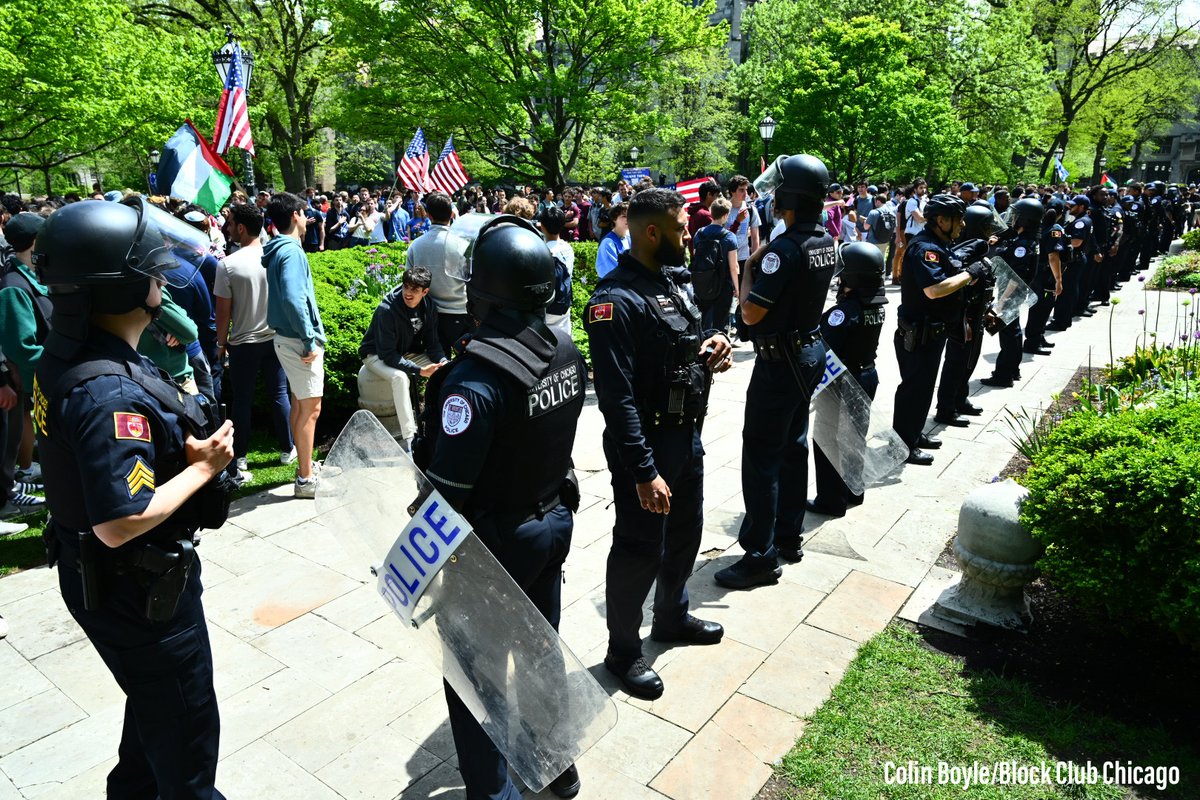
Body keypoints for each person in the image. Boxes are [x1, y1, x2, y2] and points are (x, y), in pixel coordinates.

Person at [30, 198, 235, 799]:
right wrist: (204, 470)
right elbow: (122, 520)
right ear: (119, 287)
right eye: (148, 270)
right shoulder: (108, 394)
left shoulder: (69, 353)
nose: (159, 278)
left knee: (154, 711)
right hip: (140, 591)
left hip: (106, 584)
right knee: (189, 744)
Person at [415, 215, 587, 800]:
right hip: (551, 524)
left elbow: (445, 494)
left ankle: (492, 793)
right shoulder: (565, 350)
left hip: (493, 547)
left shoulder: (474, 381)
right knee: (541, 650)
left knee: (475, 676)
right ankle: (556, 764)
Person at [584, 188, 732, 699]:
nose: (689, 233)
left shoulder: (670, 283)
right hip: (644, 447)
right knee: (638, 548)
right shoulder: (613, 302)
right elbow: (617, 398)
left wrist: (712, 345)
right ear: (652, 233)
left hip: (685, 436)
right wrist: (644, 472)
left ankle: (672, 616)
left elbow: (683, 341)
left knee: (687, 533)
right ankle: (623, 651)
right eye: (680, 226)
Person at [714, 155, 838, 589]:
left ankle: (759, 556)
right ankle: (788, 535)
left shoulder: (782, 251)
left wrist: (748, 269)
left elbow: (749, 314)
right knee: (793, 446)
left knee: (762, 458)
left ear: (790, 197)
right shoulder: (824, 239)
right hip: (807, 354)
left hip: (778, 362)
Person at [891, 194, 986, 466]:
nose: (962, 224)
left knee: (922, 389)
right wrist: (971, 274)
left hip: (932, 331)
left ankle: (913, 433)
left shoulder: (940, 244)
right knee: (914, 389)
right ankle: (904, 445)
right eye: (958, 219)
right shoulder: (924, 249)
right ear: (941, 220)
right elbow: (934, 290)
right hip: (919, 333)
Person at [214, 203, 295, 481]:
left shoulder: (227, 265)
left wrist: (220, 344)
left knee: (242, 401)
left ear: (240, 227)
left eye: (230, 223)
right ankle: (288, 448)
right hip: (275, 338)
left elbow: (222, 313)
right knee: (279, 394)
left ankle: (241, 457)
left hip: (243, 343)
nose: (226, 228)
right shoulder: (275, 256)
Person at [808, 242, 888, 517]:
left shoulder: (844, 313)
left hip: (842, 381)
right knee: (855, 436)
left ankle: (831, 500)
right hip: (867, 374)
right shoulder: (876, 305)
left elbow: (820, 344)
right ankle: (854, 490)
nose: (840, 278)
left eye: (844, 274)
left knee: (827, 438)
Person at [263, 192, 325, 498]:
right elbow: (291, 298)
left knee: (301, 405)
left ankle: (305, 468)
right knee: (310, 410)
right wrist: (308, 339)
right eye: (304, 211)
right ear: (295, 216)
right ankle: (305, 479)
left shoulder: (280, 249)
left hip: (287, 338)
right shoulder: (290, 252)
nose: (307, 216)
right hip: (298, 341)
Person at [359, 266, 445, 450]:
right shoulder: (387, 310)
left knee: (444, 372)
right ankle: (410, 439)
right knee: (400, 378)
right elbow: (388, 355)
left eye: (414, 289)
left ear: (425, 291)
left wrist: (443, 362)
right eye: (406, 286)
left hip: (403, 353)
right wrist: (419, 370)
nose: (408, 292)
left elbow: (433, 343)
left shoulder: (429, 306)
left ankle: (439, 428)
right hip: (376, 355)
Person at [980, 198, 1044, 388]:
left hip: (1012, 291)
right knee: (1013, 331)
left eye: (1017, 216)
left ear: (1025, 219)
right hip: (1016, 291)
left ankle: (1003, 375)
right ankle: (1012, 370)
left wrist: (1002, 301)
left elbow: (1016, 276)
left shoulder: (1023, 245)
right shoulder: (1025, 238)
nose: (1013, 218)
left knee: (1008, 335)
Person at [406, 191, 471, 355]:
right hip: (462, 312)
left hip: (431, 315)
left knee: (438, 367)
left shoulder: (416, 245)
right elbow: (474, 278)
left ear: (428, 215)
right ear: (451, 214)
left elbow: (409, 283)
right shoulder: (463, 244)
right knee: (467, 364)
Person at [689, 197, 739, 333]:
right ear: (725, 215)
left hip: (703, 283)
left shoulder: (699, 234)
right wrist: (738, 288)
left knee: (705, 320)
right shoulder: (729, 237)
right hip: (723, 285)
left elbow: (695, 256)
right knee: (720, 323)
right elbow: (733, 267)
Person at [1023, 202, 1066, 356]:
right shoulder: (1055, 229)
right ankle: (1032, 343)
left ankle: (1038, 337)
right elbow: (1053, 256)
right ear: (1061, 213)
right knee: (1040, 309)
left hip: (1038, 273)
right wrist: (1058, 280)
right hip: (1046, 275)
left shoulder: (1041, 226)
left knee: (1042, 308)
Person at [539, 205, 576, 335]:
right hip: (563, 305)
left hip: (546, 309)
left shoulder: (541, 252)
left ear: (542, 226)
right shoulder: (568, 249)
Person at [594, 201, 629, 279]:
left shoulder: (629, 237)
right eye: (624, 216)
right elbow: (613, 272)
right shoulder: (608, 243)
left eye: (630, 215)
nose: (628, 219)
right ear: (614, 219)